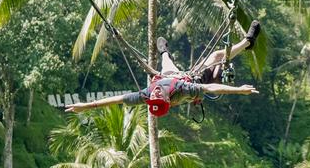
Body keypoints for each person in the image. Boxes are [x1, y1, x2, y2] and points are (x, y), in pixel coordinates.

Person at [66, 21, 262, 116]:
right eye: (159, 96)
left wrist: (85, 106)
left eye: (154, 97)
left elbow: (116, 100)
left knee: (166, 65)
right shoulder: (183, 91)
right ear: (168, 99)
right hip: (194, 78)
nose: (156, 94)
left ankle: (164, 52)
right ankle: (248, 42)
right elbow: (211, 89)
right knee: (217, 56)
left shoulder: (146, 95)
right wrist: (239, 91)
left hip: (171, 75)